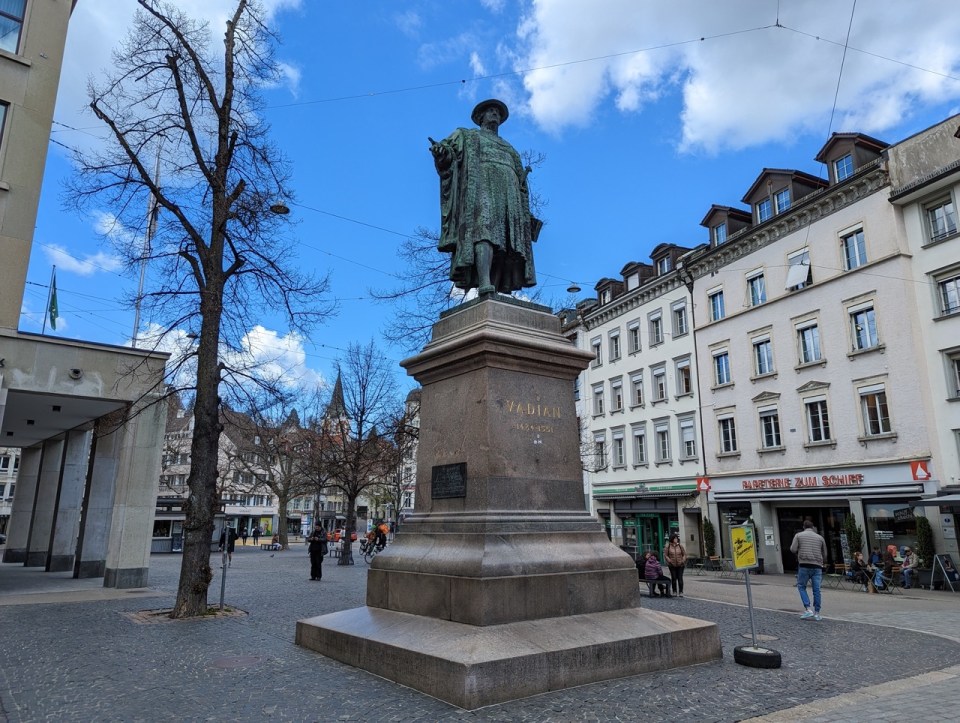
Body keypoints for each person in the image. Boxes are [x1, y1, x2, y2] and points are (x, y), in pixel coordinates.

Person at [430, 99, 540, 295]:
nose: (495, 114)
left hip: (509, 196)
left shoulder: (510, 148)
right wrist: (441, 153)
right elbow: (449, 154)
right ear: (480, 117)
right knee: (483, 232)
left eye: (497, 112)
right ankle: (484, 282)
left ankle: (495, 286)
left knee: (505, 242)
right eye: (491, 111)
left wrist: (525, 208)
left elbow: (521, 182)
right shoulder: (467, 135)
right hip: (481, 188)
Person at [790, 520, 826, 620]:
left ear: (803, 527)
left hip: (804, 565)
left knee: (801, 586)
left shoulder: (798, 535)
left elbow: (793, 549)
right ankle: (817, 613)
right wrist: (822, 561)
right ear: (813, 527)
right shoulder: (820, 538)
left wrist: (799, 551)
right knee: (817, 590)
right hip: (817, 566)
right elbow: (825, 553)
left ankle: (808, 609)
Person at [664, 532, 687, 598]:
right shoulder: (668, 546)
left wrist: (683, 560)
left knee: (680, 578)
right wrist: (669, 560)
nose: (676, 540)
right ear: (672, 539)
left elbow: (684, 554)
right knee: (674, 578)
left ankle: (681, 591)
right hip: (672, 565)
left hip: (680, 565)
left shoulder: (680, 546)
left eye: (676, 538)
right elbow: (666, 555)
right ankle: (674, 591)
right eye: (674, 538)